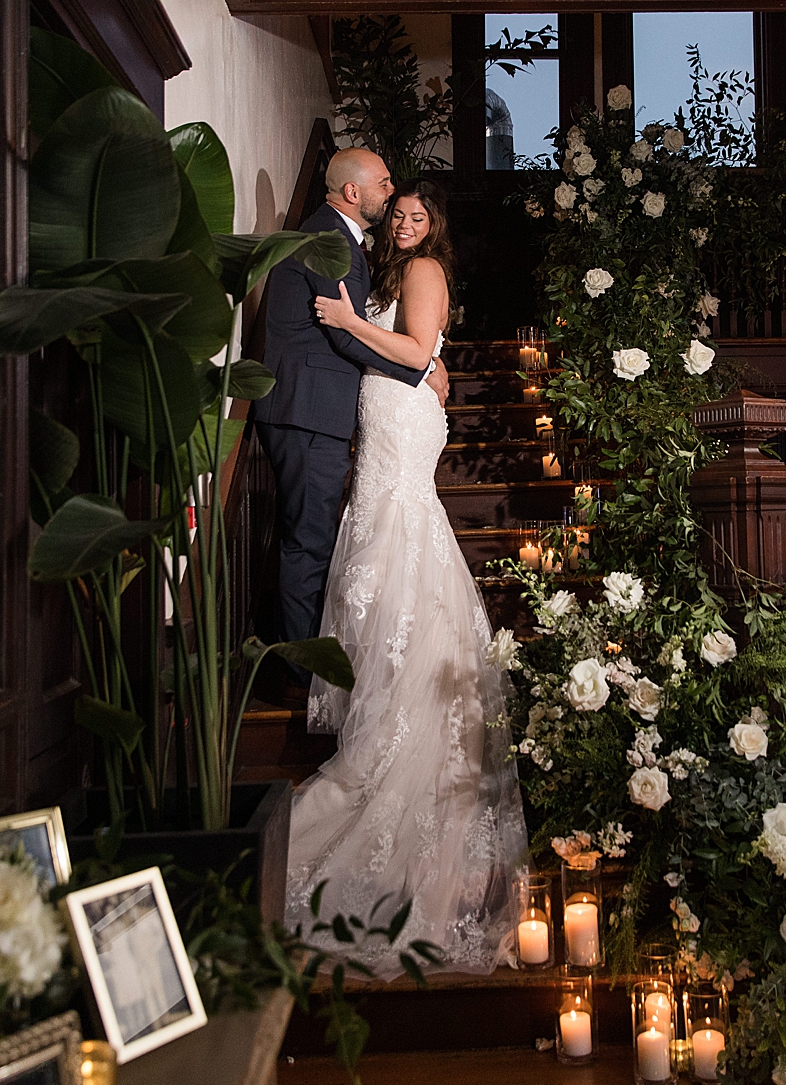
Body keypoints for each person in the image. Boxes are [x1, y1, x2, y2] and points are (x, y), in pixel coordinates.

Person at [283, 179, 527, 976]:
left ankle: (398, 722)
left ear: (436, 229)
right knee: (375, 552)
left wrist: (353, 322)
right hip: (384, 418)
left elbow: (420, 354)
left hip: (402, 422)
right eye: (400, 216)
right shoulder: (388, 273)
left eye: (421, 215)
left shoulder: (422, 274)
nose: (408, 223)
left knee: (396, 539)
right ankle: (383, 696)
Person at [249, 149, 448, 693]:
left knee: (315, 538)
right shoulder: (331, 239)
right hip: (308, 411)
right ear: (354, 193)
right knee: (309, 542)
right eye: (385, 186)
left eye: (415, 213)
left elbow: (363, 329)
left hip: (320, 412)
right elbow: (341, 331)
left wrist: (420, 360)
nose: (391, 196)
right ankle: (300, 672)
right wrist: (419, 371)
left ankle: (318, 662)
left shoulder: (347, 243)